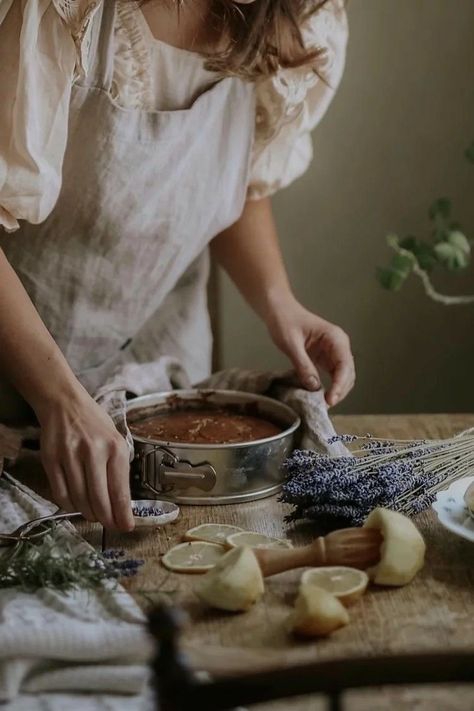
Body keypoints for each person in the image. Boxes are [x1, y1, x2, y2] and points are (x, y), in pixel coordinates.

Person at [0, 0, 354, 531]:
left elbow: (235, 173)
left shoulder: (293, 17)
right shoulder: (60, 12)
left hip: (154, 365)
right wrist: (59, 399)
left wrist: (279, 302)